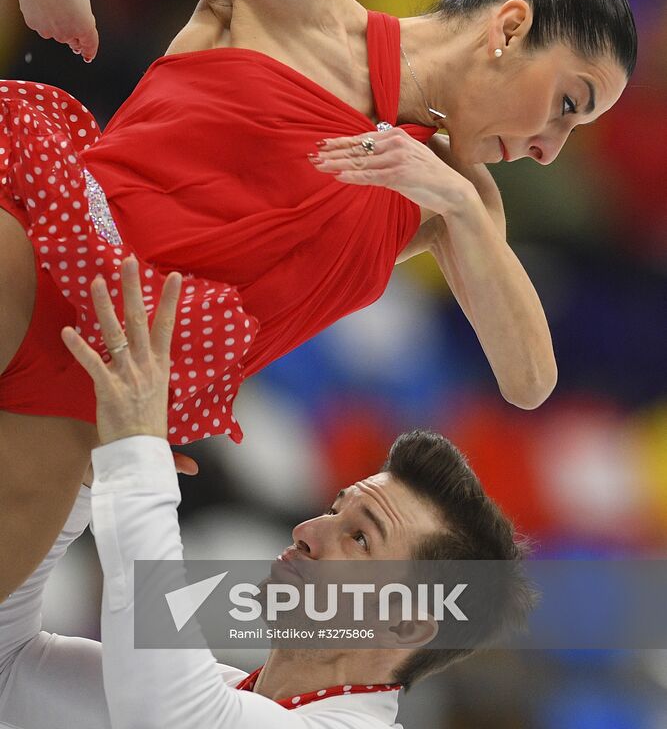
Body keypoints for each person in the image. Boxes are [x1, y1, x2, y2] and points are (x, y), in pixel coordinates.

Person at [1, 0, 636, 601]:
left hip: (85, 401)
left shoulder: (447, 199)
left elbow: (529, 381)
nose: (548, 150)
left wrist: (461, 206)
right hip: (29, 263)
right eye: (568, 104)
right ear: (506, 28)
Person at [0, 261, 536, 729]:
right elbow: (9, 667)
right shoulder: (229, 696)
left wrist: (134, 454)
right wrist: (82, 482)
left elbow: (168, 717)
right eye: (333, 508)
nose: (308, 532)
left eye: (360, 538)